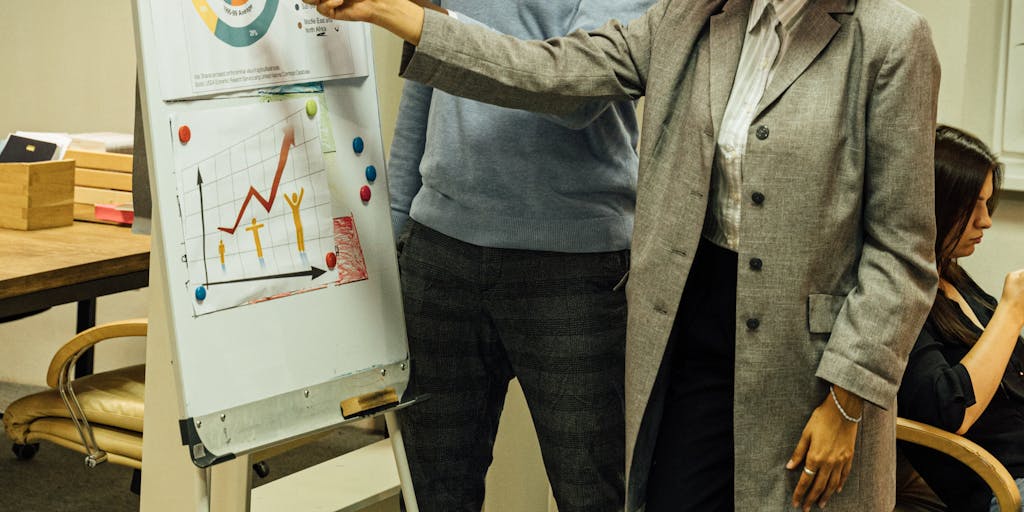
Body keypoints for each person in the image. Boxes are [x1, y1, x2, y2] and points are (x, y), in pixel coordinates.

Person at [306, 0, 941, 510]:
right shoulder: (693, 18)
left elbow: (902, 252)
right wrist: (403, 15)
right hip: (691, 339)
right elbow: (552, 72)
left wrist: (847, 399)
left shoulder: (888, 40)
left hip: (803, 364)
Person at [386, 1, 654, 511]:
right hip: (440, 252)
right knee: (428, 497)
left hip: (574, 269)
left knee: (594, 497)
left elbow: (573, 89)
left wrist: (415, 21)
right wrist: (394, 235)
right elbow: (427, 76)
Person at [897, 125, 1024, 512]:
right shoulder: (905, 295)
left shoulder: (952, 278)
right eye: (973, 205)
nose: (985, 221)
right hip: (1004, 485)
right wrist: (1012, 310)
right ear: (934, 203)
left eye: (988, 204)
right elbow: (951, 412)